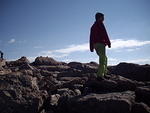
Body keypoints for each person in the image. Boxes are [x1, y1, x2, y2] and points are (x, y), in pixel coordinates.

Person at [89, 12, 111, 80]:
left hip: (95, 45)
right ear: (100, 18)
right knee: (102, 60)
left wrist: (91, 47)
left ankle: (104, 73)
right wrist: (108, 42)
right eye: (103, 17)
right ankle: (100, 76)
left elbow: (91, 37)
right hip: (101, 44)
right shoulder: (100, 23)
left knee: (104, 58)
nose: (104, 18)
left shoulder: (93, 26)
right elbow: (105, 33)